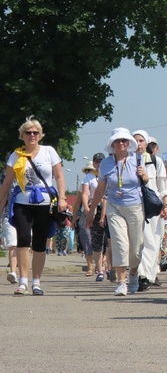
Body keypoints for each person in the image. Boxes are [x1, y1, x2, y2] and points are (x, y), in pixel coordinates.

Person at [0, 118, 68, 296]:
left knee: (39, 242)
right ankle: (23, 281)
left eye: (35, 132)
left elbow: (59, 177)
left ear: (40, 135)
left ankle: (36, 281)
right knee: (23, 239)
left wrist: (62, 198)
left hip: (45, 203)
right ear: (22, 136)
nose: (32, 135)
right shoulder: (16, 155)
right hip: (23, 202)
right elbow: (7, 183)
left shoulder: (49, 152)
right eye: (28, 132)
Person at [85, 128, 147, 296]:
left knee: (136, 247)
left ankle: (133, 273)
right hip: (114, 206)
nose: (121, 143)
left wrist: (144, 176)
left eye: (124, 141)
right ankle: (121, 281)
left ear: (128, 143)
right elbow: (100, 189)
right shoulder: (106, 163)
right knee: (119, 244)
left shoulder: (138, 158)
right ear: (112, 144)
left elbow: (146, 182)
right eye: (118, 141)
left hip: (135, 205)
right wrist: (91, 211)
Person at [133, 130, 167, 291]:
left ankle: (148, 275)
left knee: (152, 242)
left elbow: (164, 188)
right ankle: (140, 275)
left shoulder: (156, 162)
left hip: (153, 207)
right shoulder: (126, 161)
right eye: (135, 140)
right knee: (137, 241)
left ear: (147, 143)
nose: (138, 144)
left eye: (141, 140)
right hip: (133, 206)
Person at [81, 153, 107, 281]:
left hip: (108, 209)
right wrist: (87, 209)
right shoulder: (89, 177)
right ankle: (100, 270)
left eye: (101, 161)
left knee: (110, 241)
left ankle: (111, 268)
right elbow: (85, 194)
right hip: (94, 208)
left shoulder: (108, 175)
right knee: (96, 241)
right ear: (94, 163)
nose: (99, 164)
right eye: (97, 162)